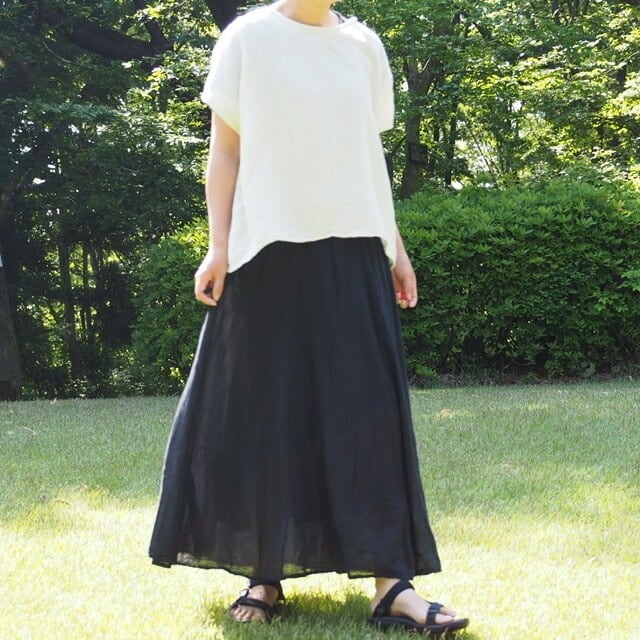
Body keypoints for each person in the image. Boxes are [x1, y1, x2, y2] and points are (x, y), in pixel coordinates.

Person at [148, 0, 469, 635]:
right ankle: (264, 574)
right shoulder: (248, 38)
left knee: (370, 418)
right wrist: (217, 246)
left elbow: (365, 160)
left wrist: (396, 249)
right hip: (267, 250)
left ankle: (392, 585)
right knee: (267, 415)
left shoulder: (364, 46)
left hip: (357, 250)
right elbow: (225, 153)